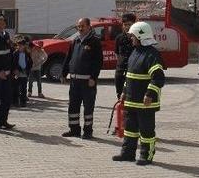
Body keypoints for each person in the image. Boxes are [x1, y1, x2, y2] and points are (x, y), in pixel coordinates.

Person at [112, 21, 165, 165]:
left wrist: (149, 94)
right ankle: (127, 154)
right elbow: (129, 75)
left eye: (133, 36)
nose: (131, 39)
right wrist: (123, 92)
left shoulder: (152, 55)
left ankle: (146, 156)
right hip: (131, 101)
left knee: (146, 131)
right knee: (129, 129)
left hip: (145, 103)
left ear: (142, 36)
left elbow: (158, 78)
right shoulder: (135, 52)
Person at [61, 18, 103, 139]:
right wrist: (64, 74)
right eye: (78, 26)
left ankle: (88, 131)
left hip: (87, 81)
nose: (80, 29)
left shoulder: (94, 42)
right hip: (74, 81)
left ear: (89, 27)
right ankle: (74, 130)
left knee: (88, 107)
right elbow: (68, 58)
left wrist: (93, 77)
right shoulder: (75, 41)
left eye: (82, 26)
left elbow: (98, 62)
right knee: (73, 106)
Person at [114, 13, 137, 99]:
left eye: (129, 25)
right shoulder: (119, 38)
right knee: (120, 97)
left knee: (132, 97)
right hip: (120, 73)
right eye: (125, 25)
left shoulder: (137, 39)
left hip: (133, 72)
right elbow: (117, 54)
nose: (127, 27)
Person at [12, 39, 32, 107]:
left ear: (24, 46)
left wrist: (27, 69)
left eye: (21, 45)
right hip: (17, 72)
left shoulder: (27, 53)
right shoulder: (15, 53)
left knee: (24, 88)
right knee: (16, 88)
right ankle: (15, 101)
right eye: (18, 45)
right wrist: (17, 69)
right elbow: (13, 63)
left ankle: (23, 101)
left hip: (24, 73)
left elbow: (30, 63)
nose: (19, 47)